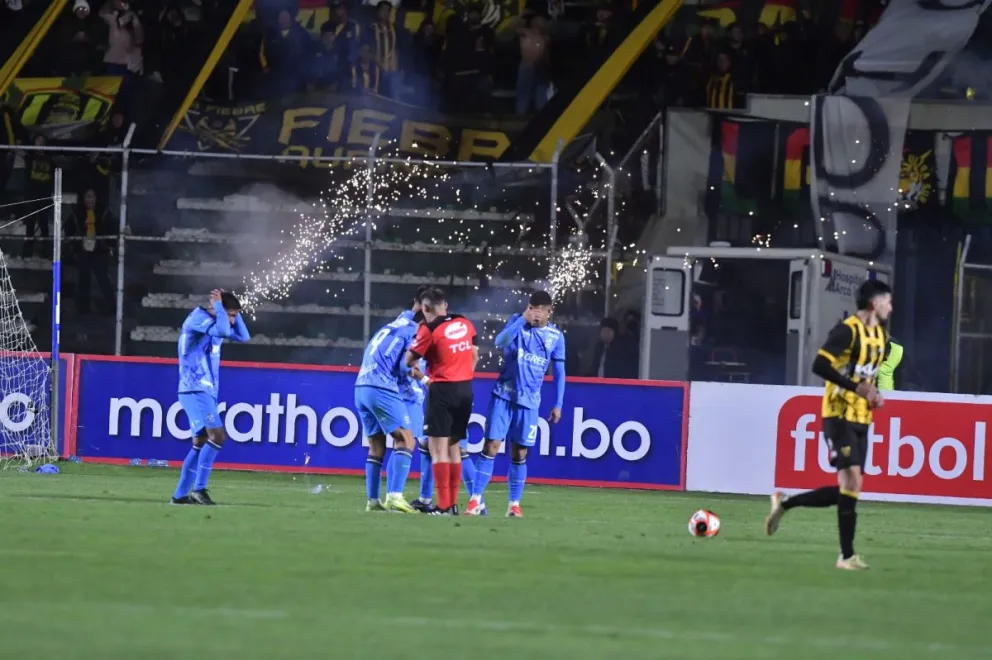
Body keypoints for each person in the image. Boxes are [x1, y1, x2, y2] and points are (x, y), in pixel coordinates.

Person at [764, 279, 892, 571]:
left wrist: (874, 394)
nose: (891, 308)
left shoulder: (882, 336)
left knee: (851, 487)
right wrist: (853, 388)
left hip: (863, 418)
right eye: (887, 302)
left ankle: (784, 504)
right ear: (874, 304)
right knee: (850, 482)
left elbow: (868, 375)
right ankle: (845, 557)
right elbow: (819, 366)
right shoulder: (846, 330)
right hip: (838, 414)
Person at [466, 291, 565, 518]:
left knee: (519, 452)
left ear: (550, 311)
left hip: (529, 403)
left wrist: (558, 403)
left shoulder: (556, 337)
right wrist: (522, 319)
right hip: (503, 395)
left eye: (541, 308)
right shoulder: (517, 322)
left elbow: (559, 372)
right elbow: (500, 341)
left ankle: (514, 504)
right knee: (490, 445)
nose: (536, 312)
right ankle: (475, 500)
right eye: (533, 307)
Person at [171, 290, 251, 506]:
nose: (232, 320)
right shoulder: (198, 318)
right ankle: (199, 490)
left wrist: (233, 311)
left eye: (235, 316)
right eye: (231, 314)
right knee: (217, 436)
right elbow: (225, 329)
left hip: (203, 391)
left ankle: (179, 496)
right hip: (195, 388)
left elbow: (245, 337)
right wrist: (219, 307)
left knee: (200, 442)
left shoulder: (217, 322)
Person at [406, 288, 478, 516]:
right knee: (455, 447)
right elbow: (474, 354)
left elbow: (410, 360)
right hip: (466, 389)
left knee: (438, 451)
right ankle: (453, 505)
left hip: (442, 390)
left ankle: (444, 506)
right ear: (444, 305)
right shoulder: (464, 322)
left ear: (425, 308)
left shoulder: (428, 329)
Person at [355, 296, 423, 513]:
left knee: (376, 445)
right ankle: (395, 496)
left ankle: (373, 502)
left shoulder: (395, 323)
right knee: (407, 439)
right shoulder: (413, 330)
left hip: (361, 386)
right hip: (381, 386)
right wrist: (419, 373)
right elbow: (404, 366)